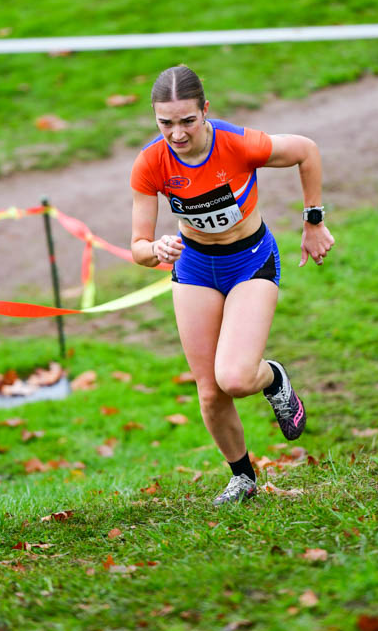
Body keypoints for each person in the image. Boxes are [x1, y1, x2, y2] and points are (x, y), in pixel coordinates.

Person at [130, 65, 334, 506]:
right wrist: (156, 248)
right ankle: (243, 478)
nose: (177, 134)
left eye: (188, 120)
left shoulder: (238, 144)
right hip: (195, 268)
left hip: (249, 261)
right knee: (209, 392)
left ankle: (273, 377)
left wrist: (313, 221)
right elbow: (138, 248)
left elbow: (307, 150)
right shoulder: (151, 162)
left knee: (236, 378)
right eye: (166, 123)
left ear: (205, 110)